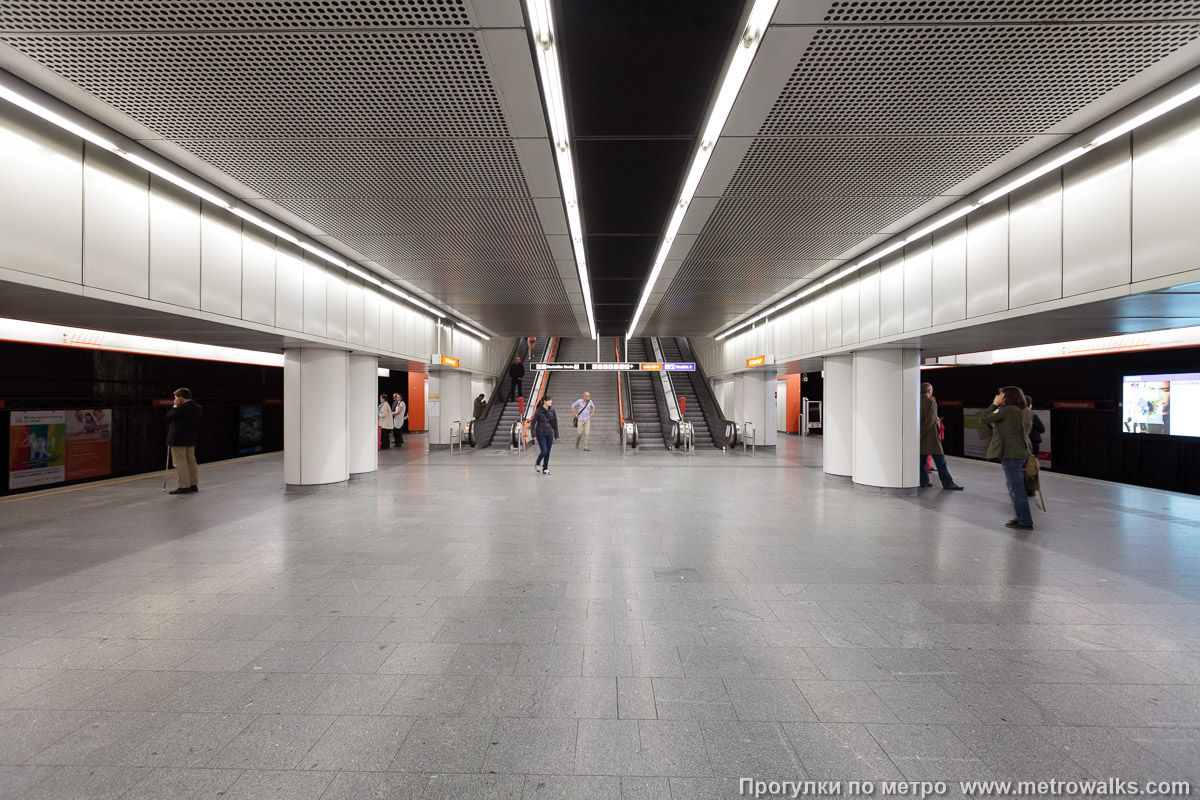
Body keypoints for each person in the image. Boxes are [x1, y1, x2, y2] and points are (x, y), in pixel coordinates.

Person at [979, 386, 1034, 530]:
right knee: (1014, 487)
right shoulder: (1025, 411)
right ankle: (1021, 517)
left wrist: (994, 404)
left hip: (1011, 454)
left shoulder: (1008, 410)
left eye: (1001, 395)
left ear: (1007, 397)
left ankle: (1025, 521)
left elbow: (983, 418)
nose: (998, 396)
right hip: (1020, 452)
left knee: (1016, 488)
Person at [919, 383, 963, 491]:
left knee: (921, 461)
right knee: (940, 461)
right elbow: (930, 420)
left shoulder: (915, 401)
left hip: (920, 437)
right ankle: (948, 483)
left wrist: (917, 434)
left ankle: (924, 481)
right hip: (931, 436)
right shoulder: (931, 402)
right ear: (929, 391)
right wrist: (921, 433)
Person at [166, 387, 203, 495]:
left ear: (180, 398)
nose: (175, 400)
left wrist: (174, 406)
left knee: (180, 463)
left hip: (178, 439)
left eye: (176, 398)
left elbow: (168, 417)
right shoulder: (198, 407)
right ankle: (193, 484)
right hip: (190, 438)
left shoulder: (181, 408)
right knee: (191, 462)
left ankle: (184, 485)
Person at [532, 395, 559, 475]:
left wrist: (556, 434)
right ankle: (537, 462)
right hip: (541, 433)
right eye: (549, 400)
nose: (551, 402)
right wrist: (533, 434)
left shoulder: (552, 411)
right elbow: (533, 423)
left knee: (548, 452)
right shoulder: (539, 411)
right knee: (544, 451)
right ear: (544, 401)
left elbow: (555, 423)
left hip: (549, 433)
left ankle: (545, 468)